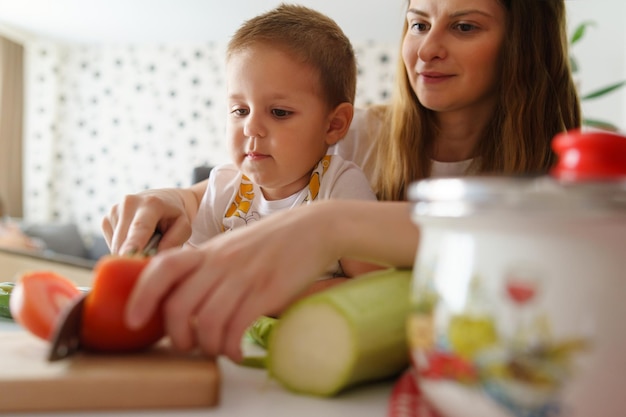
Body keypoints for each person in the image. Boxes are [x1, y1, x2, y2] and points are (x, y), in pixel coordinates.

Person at [102, 0, 580, 361]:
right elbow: (220, 193)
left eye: (464, 26)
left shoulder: (570, 180)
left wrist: (332, 225)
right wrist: (167, 198)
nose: (428, 49)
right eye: (418, 23)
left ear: (523, 44)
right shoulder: (360, 134)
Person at [184, 5, 379, 280]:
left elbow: (372, 289)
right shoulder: (223, 185)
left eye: (279, 112)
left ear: (334, 124)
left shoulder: (340, 185)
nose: (251, 128)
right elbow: (192, 269)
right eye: (240, 110)